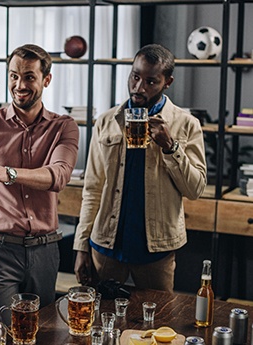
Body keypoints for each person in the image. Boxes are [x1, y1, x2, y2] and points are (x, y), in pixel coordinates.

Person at [73, 44, 207, 293]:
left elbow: (195, 188)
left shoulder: (187, 124)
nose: (138, 88)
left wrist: (170, 146)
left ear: (167, 82)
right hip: (106, 247)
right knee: (103, 322)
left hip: (156, 251)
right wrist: (81, 247)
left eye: (150, 81)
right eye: (135, 76)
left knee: (157, 324)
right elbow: (92, 189)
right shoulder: (106, 121)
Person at [0, 44, 79, 317]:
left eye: (29, 77)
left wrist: (9, 174)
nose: (19, 84)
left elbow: (59, 175)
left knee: (42, 332)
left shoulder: (64, 127)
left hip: (45, 251)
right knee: (0, 333)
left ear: (46, 80)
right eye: (13, 76)